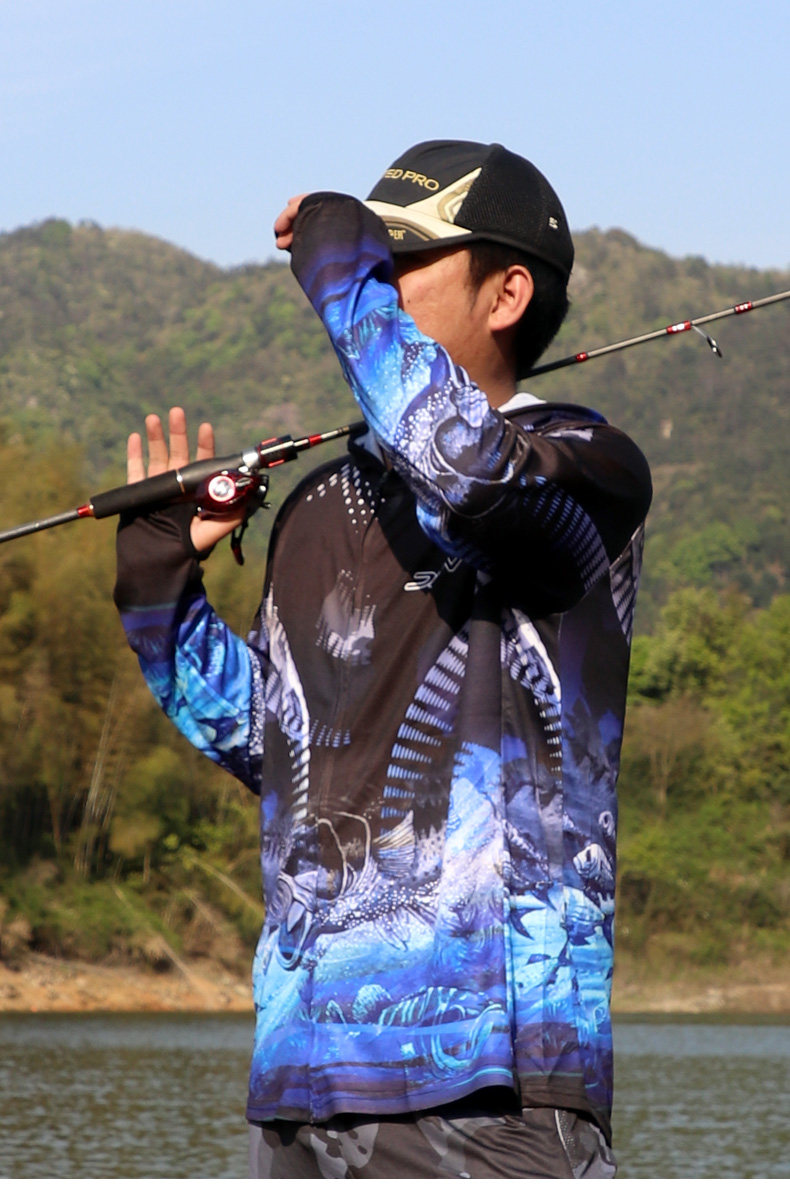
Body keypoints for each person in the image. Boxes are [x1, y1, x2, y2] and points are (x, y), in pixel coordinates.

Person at [114, 140, 652, 1178]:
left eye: (398, 259)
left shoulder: (588, 467)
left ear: (507, 294)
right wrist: (156, 585)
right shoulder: (316, 506)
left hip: (494, 1083)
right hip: (301, 1087)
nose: (372, 278)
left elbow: (470, 472)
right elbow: (271, 745)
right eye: (369, 257)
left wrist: (334, 267)